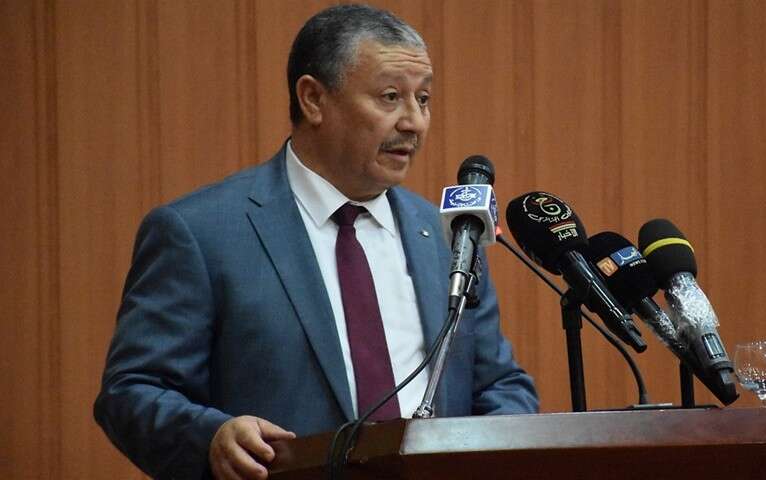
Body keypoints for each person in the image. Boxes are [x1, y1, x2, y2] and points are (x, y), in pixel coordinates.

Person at [93, 5, 538, 479]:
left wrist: (495, 451)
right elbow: (131, 392)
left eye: (423, 99)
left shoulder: (449, 235)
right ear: (313, 99)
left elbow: (499, 384)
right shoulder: (202, 233)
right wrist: (212, 437)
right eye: (390, 97)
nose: (414, 122)